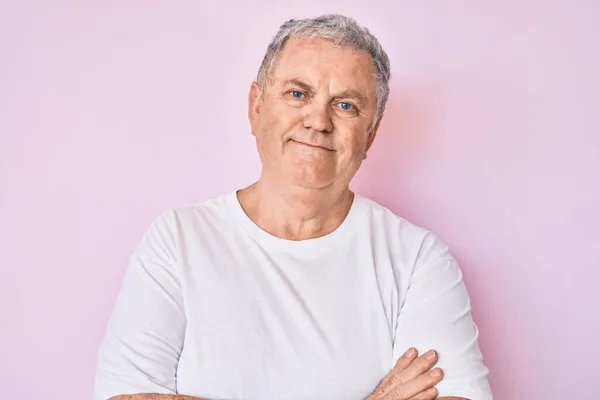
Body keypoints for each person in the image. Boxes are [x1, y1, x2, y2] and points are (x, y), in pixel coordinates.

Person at [94, 14, 492, 400]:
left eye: (346, 105)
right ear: (256, 107)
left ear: (371, 134)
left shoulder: (418, 261)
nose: (317, 121)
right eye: (297, 93)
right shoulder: (178, 240)